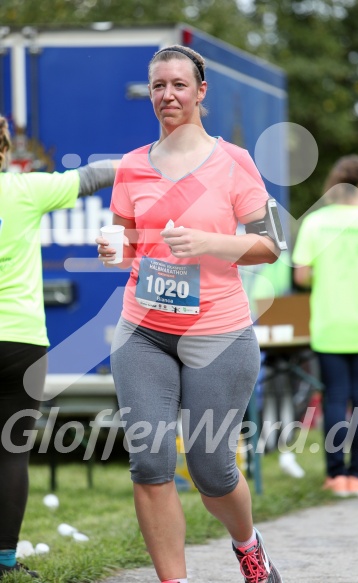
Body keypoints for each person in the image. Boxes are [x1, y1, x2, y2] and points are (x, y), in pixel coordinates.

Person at [97, 45, 284, 583]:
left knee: (211, 469)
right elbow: (128, 244)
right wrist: (116, 251)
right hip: (144, 331)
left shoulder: (234, 163)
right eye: (158, 86)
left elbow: (270, 245)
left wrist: (209, 240)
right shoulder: (131, 165)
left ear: (201, 93)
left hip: (218, 333)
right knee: (150, 463)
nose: (167, 95)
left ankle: (249, 547)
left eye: (179, 85)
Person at [0, 114, 117, 579]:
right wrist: (154, 160)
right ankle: (4, 561)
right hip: (22, 341)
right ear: (5, 150)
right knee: (11, 452)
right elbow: (94, 176)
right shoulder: (25, 190)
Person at [292, 154, 358, 497]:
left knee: (334, 400)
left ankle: (335, 477)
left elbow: (301, 276)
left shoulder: (316, 224)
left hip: (330, 325)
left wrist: (327, 273)